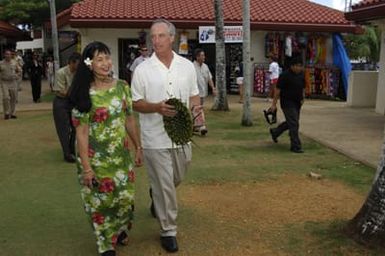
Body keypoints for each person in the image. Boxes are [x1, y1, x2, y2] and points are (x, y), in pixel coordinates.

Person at [131, 19, 200, 253]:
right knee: (166, 187)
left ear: (172, 38)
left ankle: (157, 194)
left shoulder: (187, 66)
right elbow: (136, 103)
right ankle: (168, 230)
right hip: (154, 138)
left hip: (182, 137)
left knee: (176, 177)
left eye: (161, 36)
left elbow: (194, 96)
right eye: (153, 36)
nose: (156, 40)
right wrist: (156, 108)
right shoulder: (142, 69)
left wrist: (197, 117)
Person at [69, 41, 143, 256]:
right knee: (100, 203)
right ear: (89, 64)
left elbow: (129, 119)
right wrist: (87, 167)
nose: (105, 63)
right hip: (95, 159)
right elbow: (81, 133)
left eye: (107, 57)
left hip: (120, 156)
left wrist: (138, 147)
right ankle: (105, 244)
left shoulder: (122, 86)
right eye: (99, 59)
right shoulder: (83, 92)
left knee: (124, 198)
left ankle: (119, 230)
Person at [269, 57, 305, 153]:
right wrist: (274, 104)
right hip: (287, 102)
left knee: (292, 121)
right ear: (292, 66)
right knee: (294, 123)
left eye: (300, 66)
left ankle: (275, 132)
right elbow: (277, 90)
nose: (299, 68)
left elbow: (303, 87)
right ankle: (295, 145)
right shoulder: (285, 75)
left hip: (297, 102)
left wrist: (303, 97)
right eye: (297, 66)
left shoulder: (301, 74)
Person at [53, 52, 81, 163]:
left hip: (72, 101)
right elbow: (61, 91)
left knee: (75, 127)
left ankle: (72, 151)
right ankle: (67, 154)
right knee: (63, 129)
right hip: (61, 102)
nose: (79, 66)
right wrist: (75, 92)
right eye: (78, 64)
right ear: (71, 63)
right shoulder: (61, 72)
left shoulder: (79, 72)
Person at [193, 48, 215, 135]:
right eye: (202, 55)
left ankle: (196, 126)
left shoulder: (205, 66)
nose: (204, 57)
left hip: (203, 93)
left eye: (204, 55)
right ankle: (202, 127)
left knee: (198, 109)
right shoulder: (192, 67)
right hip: (194, 93)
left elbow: (209, 78)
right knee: (198, 109)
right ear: (197, 57)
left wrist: (213, 88)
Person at [0, 49, 21, 119]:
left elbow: (19, 71)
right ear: (4, 55)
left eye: (9, 54)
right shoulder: (1, 63)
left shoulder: (14, 62)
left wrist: (17, 75)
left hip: (13, 82)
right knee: (5, 97)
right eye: (6, 54)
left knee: (14, 97)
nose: (8, 56)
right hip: (4, 82)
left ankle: (13, 113)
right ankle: (6, 112)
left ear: (11, 55)